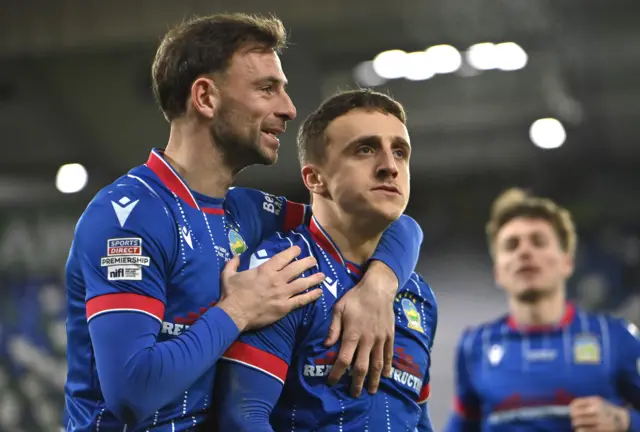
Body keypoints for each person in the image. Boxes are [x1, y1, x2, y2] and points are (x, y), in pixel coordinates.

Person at [63, 14, 425, 432]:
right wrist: (237, 310)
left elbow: (383, 221)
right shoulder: (127, 216)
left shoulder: (248, 213)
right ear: (205, 97)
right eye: (267, 89)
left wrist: (379, 286)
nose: (288, 109)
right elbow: (133, 393)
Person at [216, 89, 437, 431]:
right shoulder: (280, 271)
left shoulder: (418, 294)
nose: (389, 167)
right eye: (365, 149)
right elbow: (243, 417)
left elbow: (418, 418)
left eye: (400, 152)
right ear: (315, 178)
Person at [444, 188, 640, 431]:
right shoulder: (475, 346)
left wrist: (624, 421)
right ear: (498, 272)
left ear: (567, 262)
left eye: (538, 241)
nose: (524, 252)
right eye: (511, 245)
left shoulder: (615, 338)